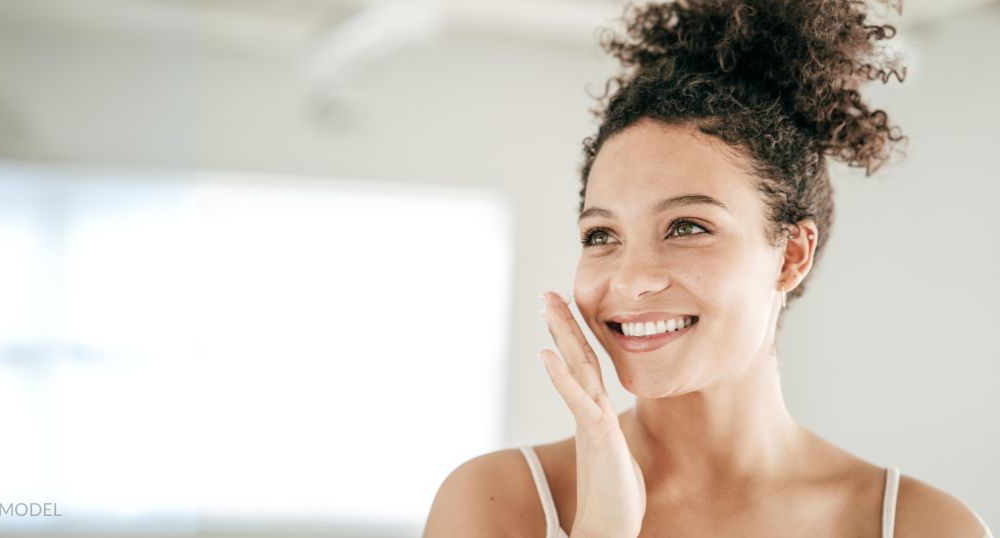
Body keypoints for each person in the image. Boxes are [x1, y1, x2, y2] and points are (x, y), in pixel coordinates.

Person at [423, 0, 994, 536]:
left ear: (791, 254)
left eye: (688, 227)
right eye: (602, 235)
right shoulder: (498, 501)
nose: (630, 279)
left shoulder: (926, 526)